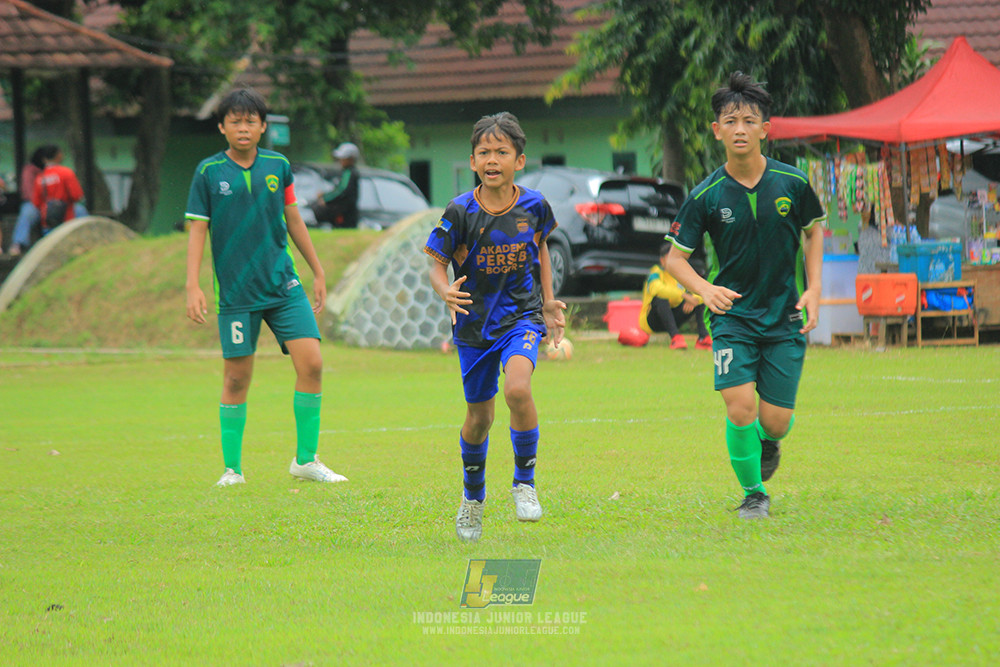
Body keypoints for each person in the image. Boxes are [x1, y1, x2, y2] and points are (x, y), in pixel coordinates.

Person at [665, 72, 825, 520]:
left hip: (784, 317)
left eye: (749, 120)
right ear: (717, 130)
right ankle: (754, 493)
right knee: (740, 407)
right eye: (730, 120)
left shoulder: (793, 183)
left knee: (773, 420)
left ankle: (769, 440)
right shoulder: (705, 195)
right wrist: (704, 288)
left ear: (765, 128)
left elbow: (814, 233)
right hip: (733, 318)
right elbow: (674, 260)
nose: (740, 129)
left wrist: (813, 288)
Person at [184, 88, 346, 487]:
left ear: (262, 127)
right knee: (237, 378)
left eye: (251, 121)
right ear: (222, 127)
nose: (243, 127)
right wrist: (193, 284)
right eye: (235, 121)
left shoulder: (278, 165)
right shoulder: (208, 173)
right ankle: (232, 470)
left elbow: (294, 219)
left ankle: (306, 460)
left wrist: (318, 271)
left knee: (312, 364)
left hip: (283, 285)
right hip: (237, 293)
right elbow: (197, 229)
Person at [425, 112, 566, 542]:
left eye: (501, 151)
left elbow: (539, 250)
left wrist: (548, 304)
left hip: (521, 317)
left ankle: (525, 482)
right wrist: (444, 291)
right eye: (484, 152)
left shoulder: (535, 206)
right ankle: (472, 498)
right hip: (473, 327)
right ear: (472, 161)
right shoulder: (460, 211)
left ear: (519, 160)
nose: (492, 159)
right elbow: (436, 263)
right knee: (479, 418)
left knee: (518, 389)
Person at [640, 242, 712, 350]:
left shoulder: (680, 275)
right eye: (669, 259)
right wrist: (683, 295)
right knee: (661, 298)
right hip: (652, 322)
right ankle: (675, 338)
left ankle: (703, 338)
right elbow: (657, 289)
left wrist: (694, 299)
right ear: (662, 261)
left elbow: (701, 291)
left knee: (698, 301)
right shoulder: (655, 273)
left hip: (674, 317)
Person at [31, 145, 84, 233]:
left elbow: (36, 202)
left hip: (47, 222)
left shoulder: (40, 177)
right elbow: (77, 196)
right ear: (58, 155)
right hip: (67, 220)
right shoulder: (66, 173)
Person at [8, 147, 47, 256]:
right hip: (33, 203)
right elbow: (29, 192)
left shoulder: (52, 170)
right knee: (28, 213)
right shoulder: (29, 170)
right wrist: (40, 204)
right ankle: (18, 243)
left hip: (51, 203)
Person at [312, 142, 360, 228]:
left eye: (343, 158)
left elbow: (342, 190)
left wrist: (325, 199)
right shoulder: (345, 172)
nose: (340, 161)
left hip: (346, 214)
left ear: (351, 159)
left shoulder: (350, 173)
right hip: (345, 212)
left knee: (318, 209)